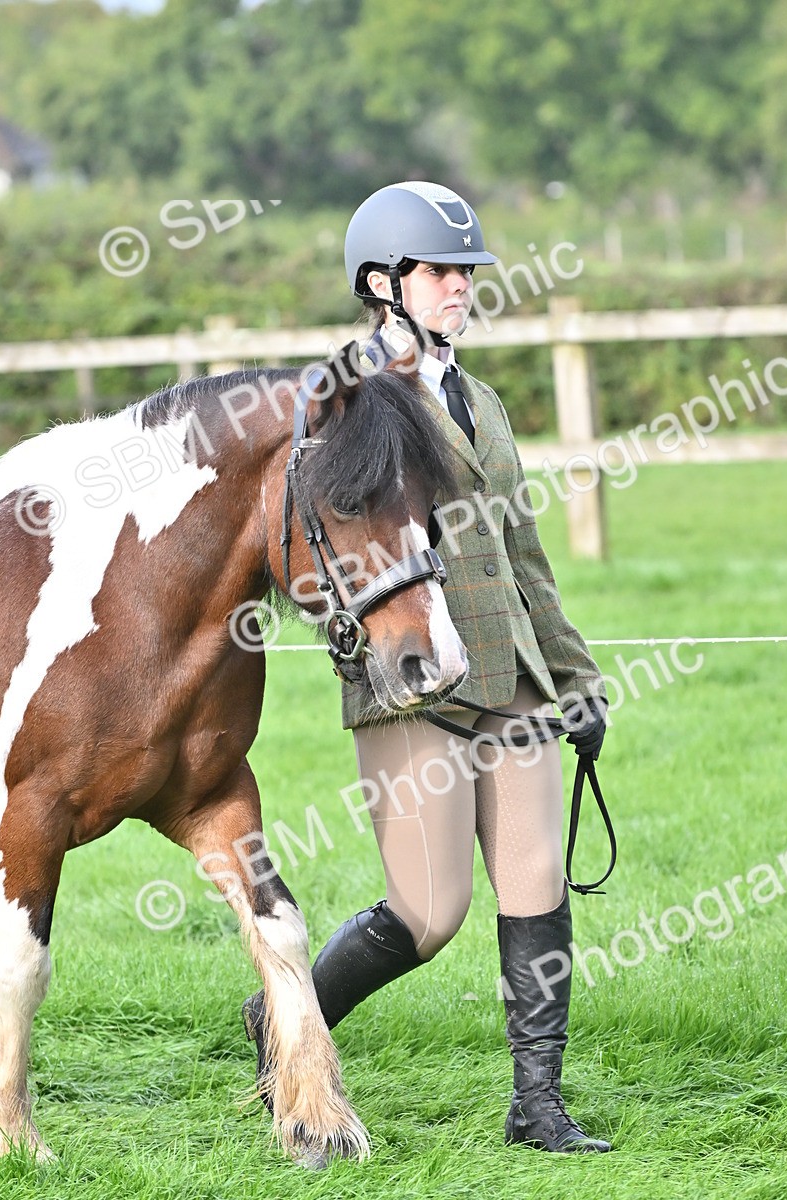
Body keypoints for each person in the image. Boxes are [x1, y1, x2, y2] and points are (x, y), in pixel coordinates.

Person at [244, 181, 612, 1154]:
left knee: (534, 884)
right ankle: (285, 1019)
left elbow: (520, 553)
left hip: (516, 673)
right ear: (382, 282)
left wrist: (572, 681)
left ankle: (537, 1104)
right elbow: (336, 549)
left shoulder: (479, 399)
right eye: (441, 271)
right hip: (411, 682)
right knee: (430, 911)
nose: (460, 286)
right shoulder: (349, 395)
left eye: (465, 272)